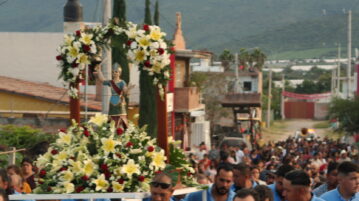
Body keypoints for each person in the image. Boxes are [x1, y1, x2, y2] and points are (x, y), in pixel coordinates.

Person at [95, 64, 131, 129]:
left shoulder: (122, 82)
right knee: (111, 118)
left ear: (120, 73)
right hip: (112, 101)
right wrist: (99, 70)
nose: (114, 73)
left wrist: (128, 89)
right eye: (113, 72)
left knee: (121, 118)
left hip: (119, 102)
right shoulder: (111, 82)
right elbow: (102, 80)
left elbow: (125, 90)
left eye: (116, 72)